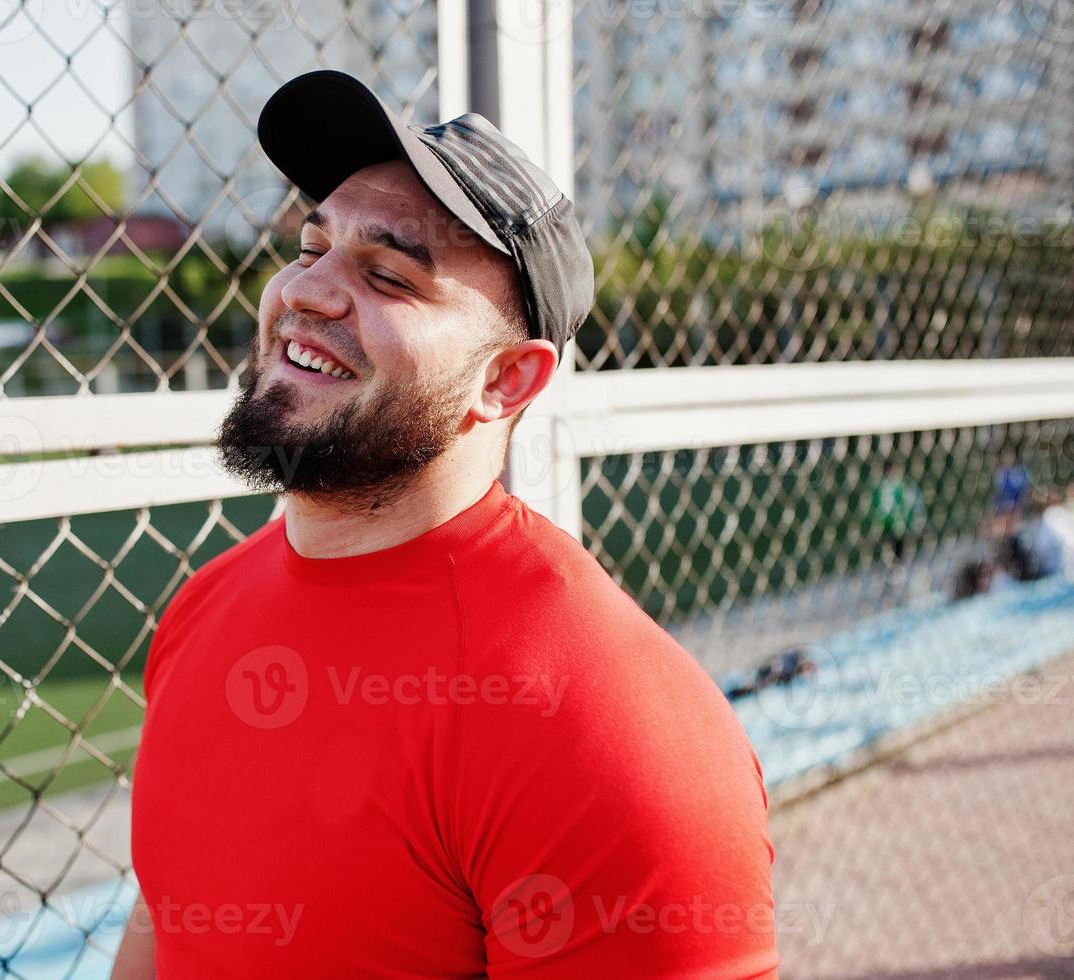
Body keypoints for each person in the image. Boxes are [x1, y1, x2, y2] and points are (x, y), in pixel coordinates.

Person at [115, 70, 778, 978]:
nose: (306, 291)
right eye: (312, 247)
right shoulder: (203, 607)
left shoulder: (605, 726)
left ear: (505, 381)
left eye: (386, 273)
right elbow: (164, 922)